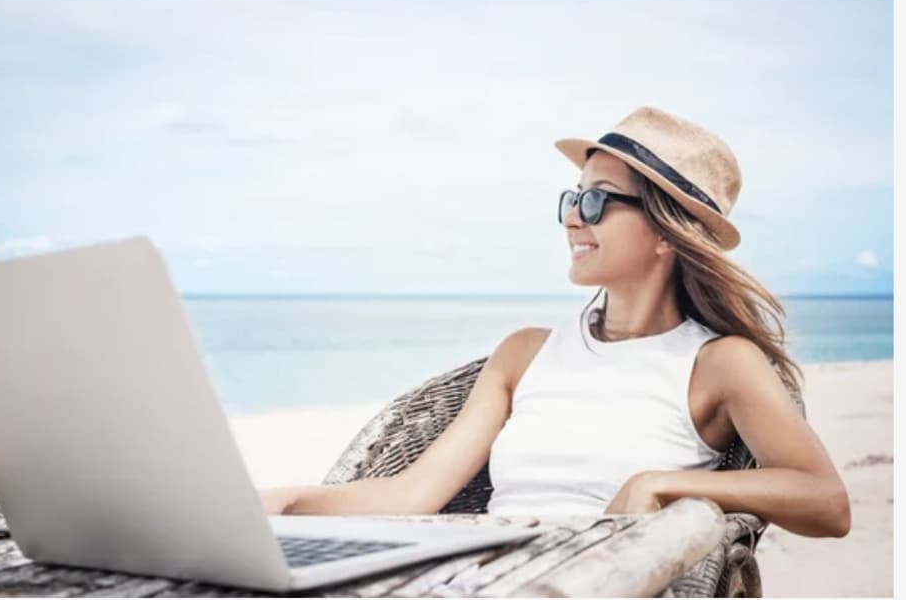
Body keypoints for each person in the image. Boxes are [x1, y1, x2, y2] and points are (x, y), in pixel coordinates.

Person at [259, 106, 850, 538]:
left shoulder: (718, 364)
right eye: (571, 199)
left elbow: (825, 501)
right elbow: (414, 493)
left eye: (595, 201)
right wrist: (282, 502)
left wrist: (661, 484)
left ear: (666, 234)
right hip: (491, 575)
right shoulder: (524, 353)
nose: (572, 220)